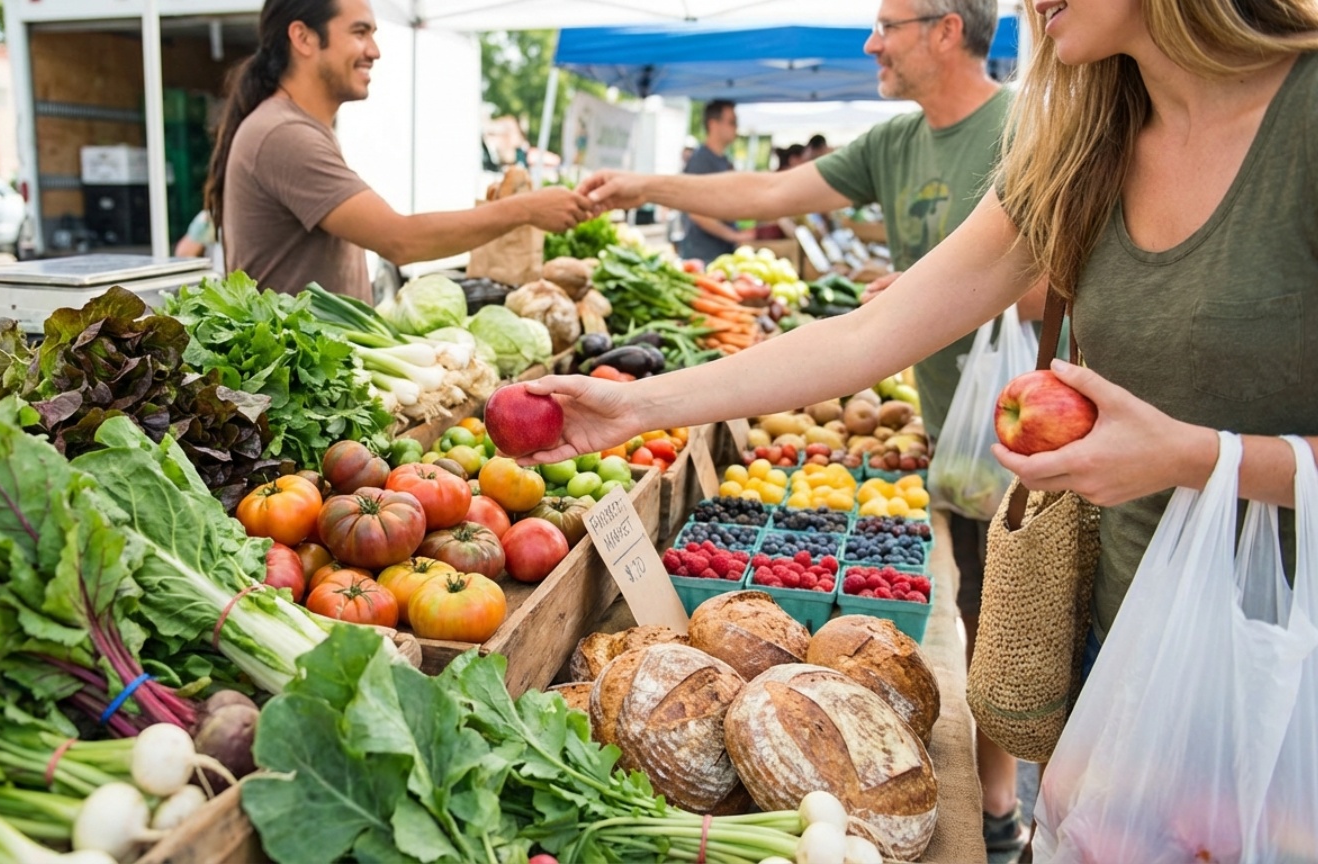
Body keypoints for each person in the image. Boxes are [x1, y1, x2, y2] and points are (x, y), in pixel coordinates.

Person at [528, 0, 1318, 846]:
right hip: (1118, 652)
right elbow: (872, 333)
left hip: (1288, 670)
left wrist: (1198, 457)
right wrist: (638, 403)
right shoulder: (1083, 145)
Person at [573, 1, 1037, 852]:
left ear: (946, 28)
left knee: (1012, 623)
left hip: (1035, 428)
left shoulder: (1029, 127)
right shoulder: (897, 143)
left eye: (889, 23)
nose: (871, 42)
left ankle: (1001, 806)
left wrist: (945, 292)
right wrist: (648, 184)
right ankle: (1004, 804)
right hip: (948, 423)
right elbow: (768, 193)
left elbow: (1064, 272)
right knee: (974, 594)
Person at [204, 0, 593, 302]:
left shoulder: (295, 126)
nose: (374, 51)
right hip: (294, 391)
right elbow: (400, 241)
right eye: (359, 33)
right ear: (303, 38)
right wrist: (526, 209)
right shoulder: (283, 133)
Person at [677, 100, 754, 263]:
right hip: (703, 255)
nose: (736, 128)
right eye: (732, 122)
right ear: (713, 124)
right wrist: (734, 235)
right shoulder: (701, 161)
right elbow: (696, 213)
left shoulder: (724, 160)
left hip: (720, 253)